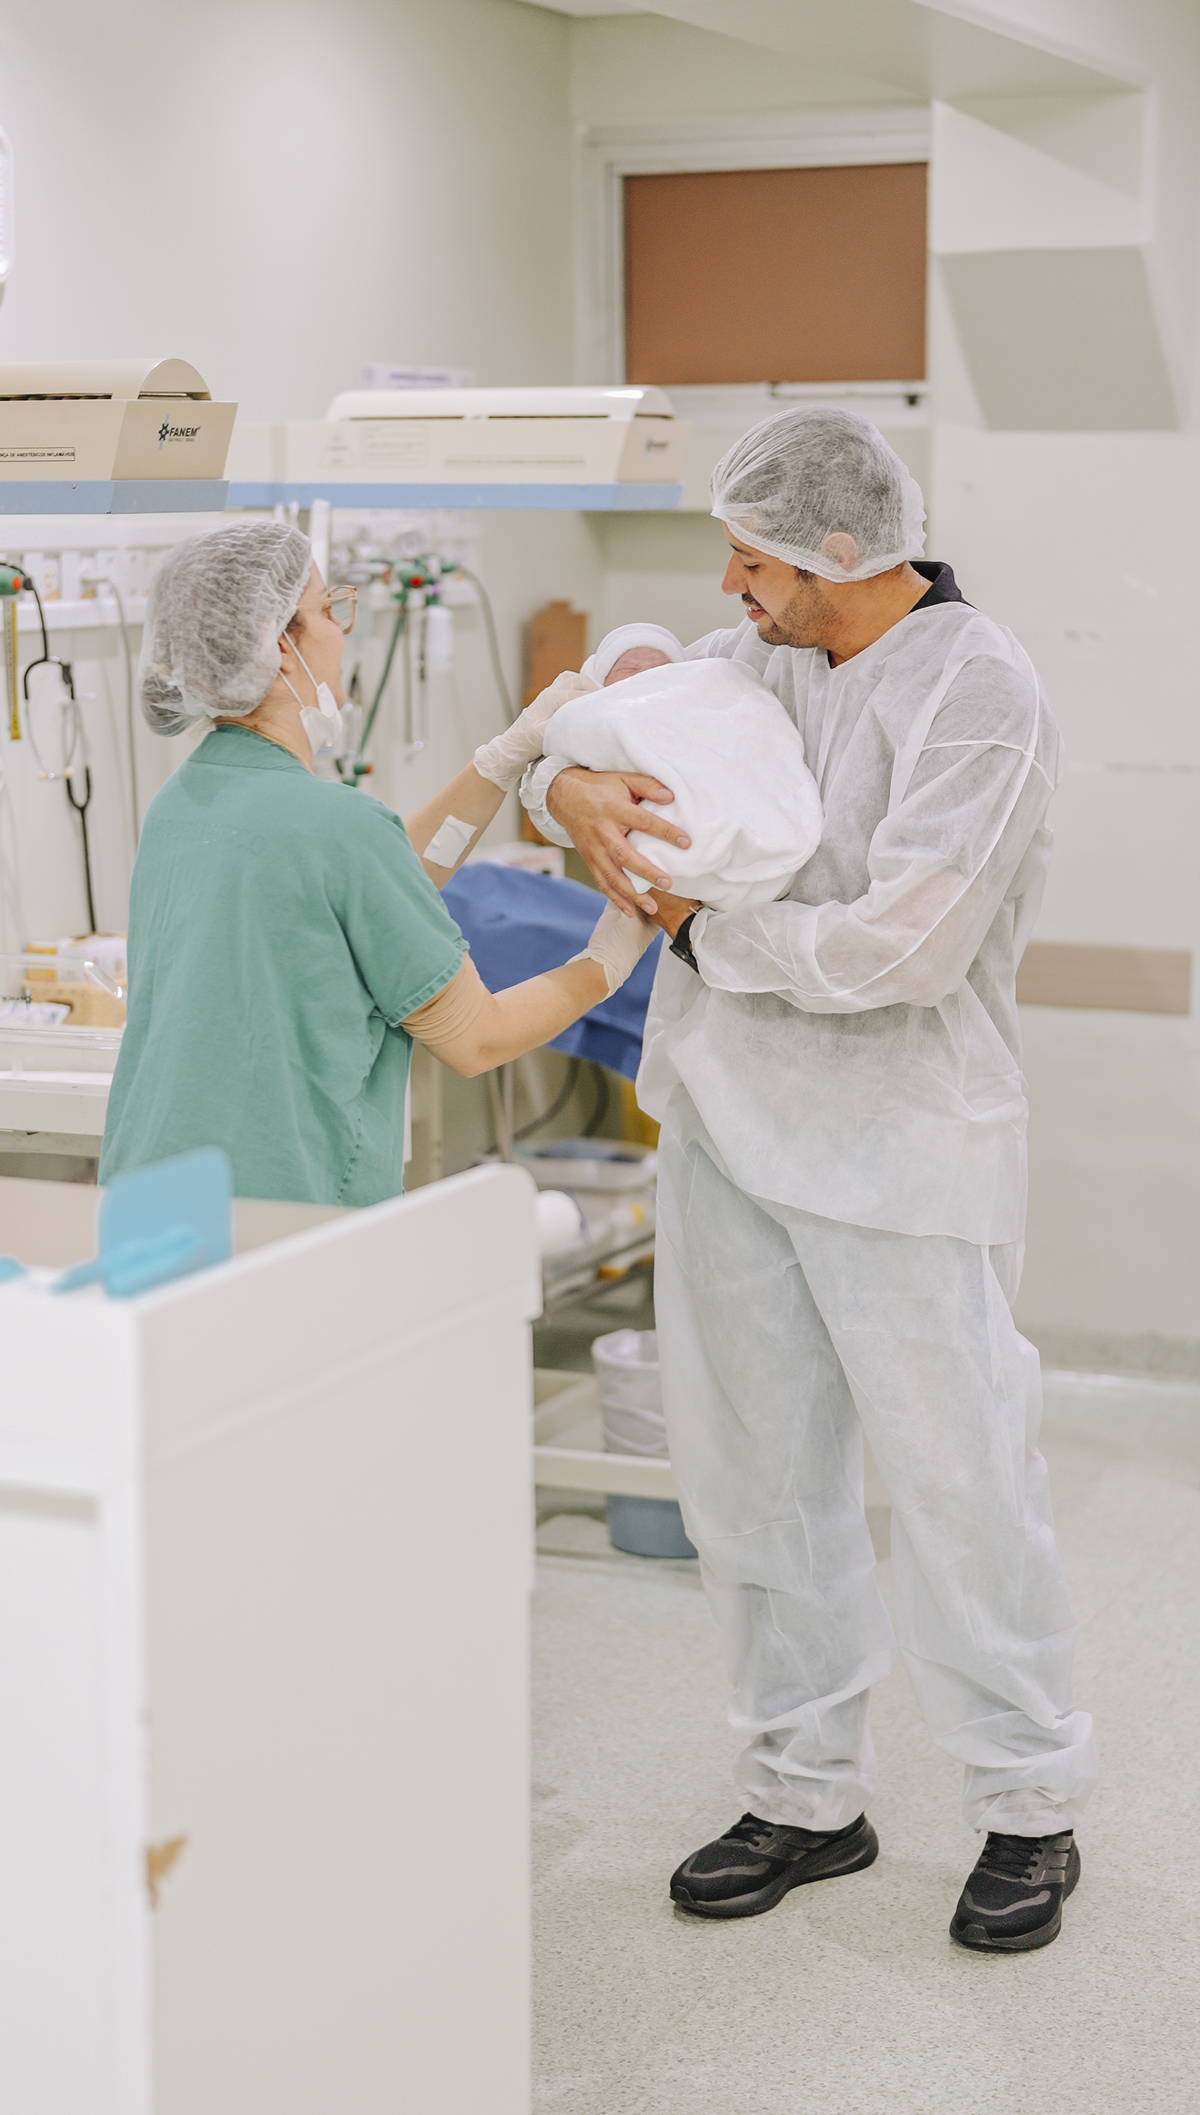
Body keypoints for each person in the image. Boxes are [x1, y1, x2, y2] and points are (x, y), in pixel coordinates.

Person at [522, 406, 1096, 1954]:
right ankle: (803, 1791)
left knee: (964, 1481)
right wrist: (569, 794)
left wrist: (705, 933)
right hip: (727, 1125)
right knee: (753, 1477)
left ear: (842, 550)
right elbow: (590, 729)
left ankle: (1028, 1805)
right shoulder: (756, 660)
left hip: (904, 1143)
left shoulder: (980, 691)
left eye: (754, 557)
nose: (732, 583)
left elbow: (910, 945)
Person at [99, 520, 655, 1205]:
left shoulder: (181, 804)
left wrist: (504, 756)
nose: (342, 631)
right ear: (279, 647)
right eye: (328, 609)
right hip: (285, 1211)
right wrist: (608, 961)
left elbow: (378, 877)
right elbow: (476, 1039)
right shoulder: (338, 828)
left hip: (149, 1197)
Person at [542, 625, 822, 913]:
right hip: (667, 854)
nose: (647, 675)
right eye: (631, 668)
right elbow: (556, 752)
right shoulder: (601, 709)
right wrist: (563, 787)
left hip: (754, 845)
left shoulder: (718, 683)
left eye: (662, 669)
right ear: (599, 683)